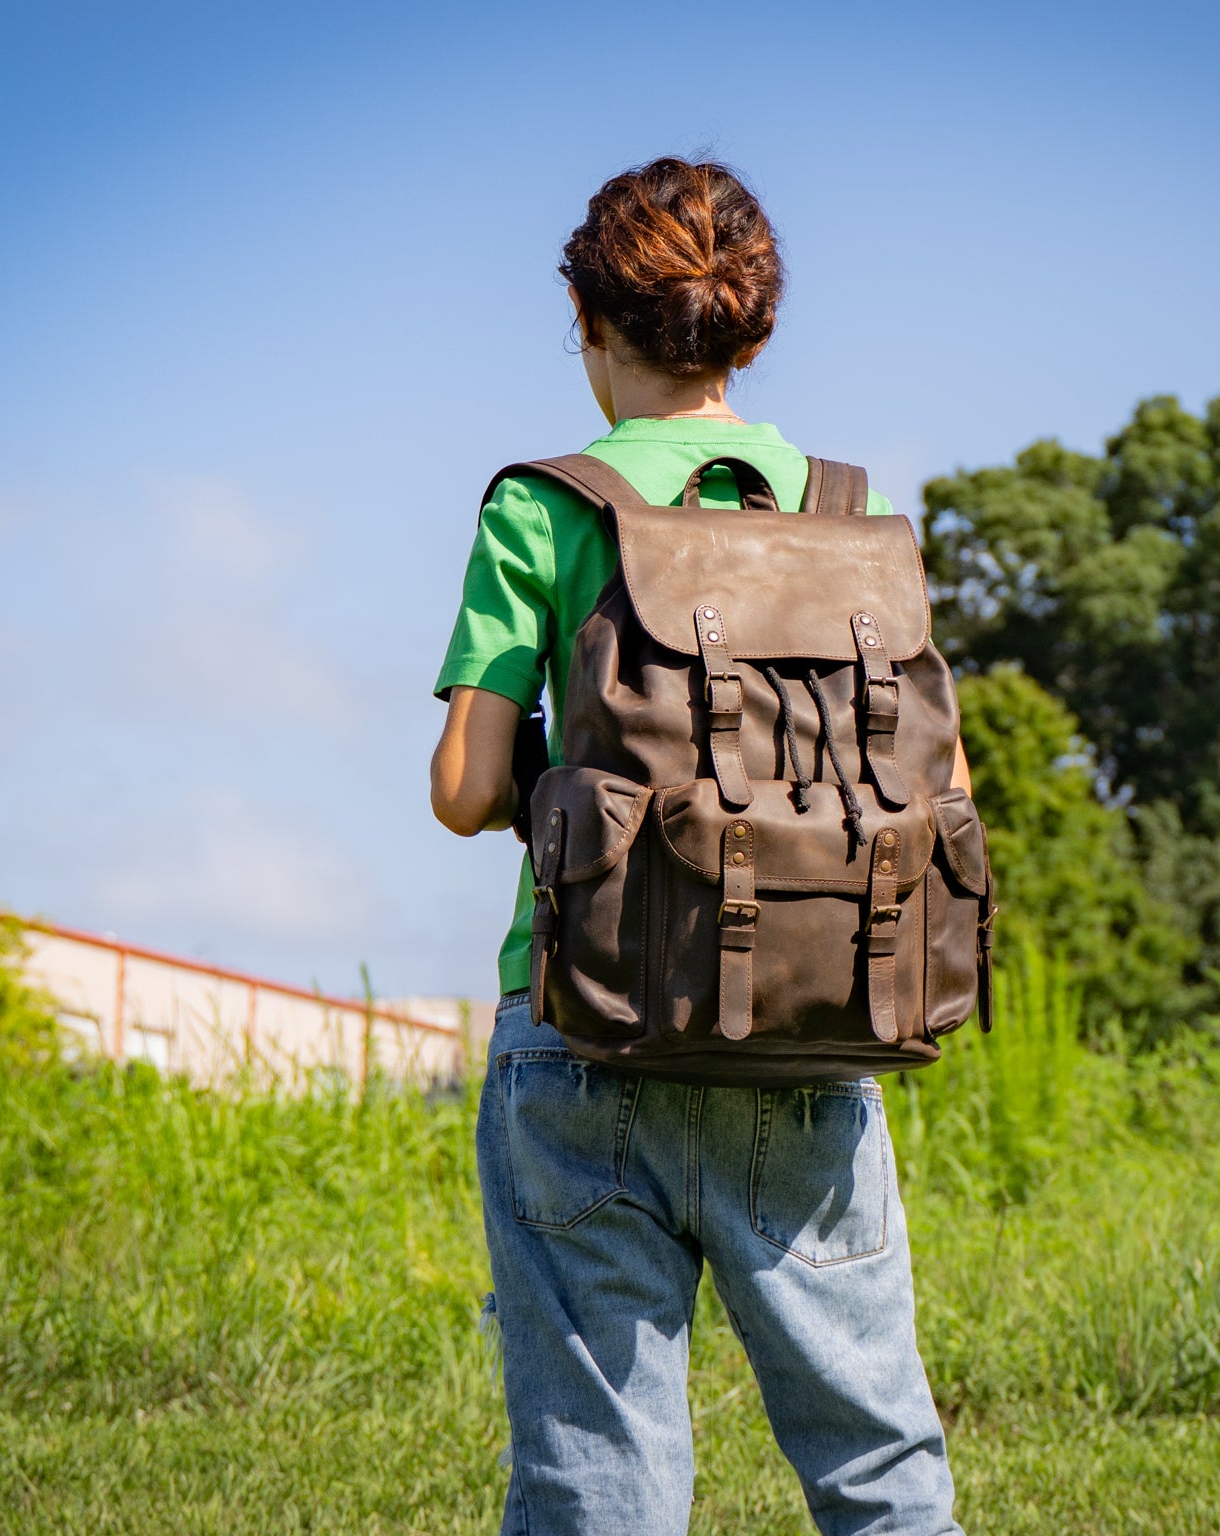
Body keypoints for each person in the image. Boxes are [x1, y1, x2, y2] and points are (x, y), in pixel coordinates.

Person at [430, 158, 966, 1536]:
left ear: (587, 318)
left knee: (600, 1477)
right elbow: (940, 786)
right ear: (753, 332)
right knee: (877, 1460)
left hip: (585, 1029)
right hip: (814, 1035)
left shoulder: (546, 504)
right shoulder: (845, 516)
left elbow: (464, 787)